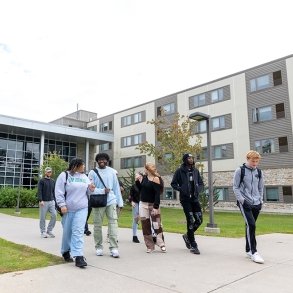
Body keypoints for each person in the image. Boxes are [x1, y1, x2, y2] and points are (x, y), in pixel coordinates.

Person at [55, 158, 95, 268]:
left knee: (78, 231)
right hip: (68, 209)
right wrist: (62, 204)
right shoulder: (64, 175)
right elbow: (59, 191)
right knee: (67, 232)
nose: (84, 167)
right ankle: (65, 251)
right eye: (83, 165)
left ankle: (78, 256)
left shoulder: (84, 177)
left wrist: (91, 188)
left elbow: (88, 191)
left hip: (82, 208)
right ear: (76, 166)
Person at [88, 153, 124, 258]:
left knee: (113, 224)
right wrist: (103, 190)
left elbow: (116, 188)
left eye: (104, 159)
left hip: (111, 201)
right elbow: (90, 190)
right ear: (97, 161)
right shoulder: (92, 172)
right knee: (97, 225)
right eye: (99, 159)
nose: (101, 161)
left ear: (107, 161)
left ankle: (114, 248)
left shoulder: (112, 172)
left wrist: (120, 202)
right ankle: (98, 247)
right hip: (98, 201)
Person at [233, 150, 264, 264]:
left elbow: (261, 188)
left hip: (256, 203)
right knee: (251, 225)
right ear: (248, 159)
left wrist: (260, 201)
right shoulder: (240, 171)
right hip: (245, 203)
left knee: (249, 226)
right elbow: (235, 187)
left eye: (256, 161)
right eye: (253, 161)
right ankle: (254, 252)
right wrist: (242, 200)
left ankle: (248, 250)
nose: (255, 163)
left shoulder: (259, 172)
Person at [171, 153, 204, 255]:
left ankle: (187, 236)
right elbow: (173, 183)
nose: (191, 159)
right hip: (185, 200)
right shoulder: (179, 171)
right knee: (190, 220)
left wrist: (198, 189)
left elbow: (201, 183)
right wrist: (182, 189)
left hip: (194, 199)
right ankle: (193, 245)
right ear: (185, 159)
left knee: (199, 220)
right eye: (189, 158)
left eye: (192, 158)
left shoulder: (195, 171)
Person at [136, 162, 166, 253]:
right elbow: (141, 190)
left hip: (153, 204)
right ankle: (150, 246)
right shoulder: (144, 178)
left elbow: (157, 194)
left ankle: (161, 243)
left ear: (147, 169)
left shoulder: (156, 178)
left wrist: (156, 207)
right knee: (145, 225)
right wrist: (137, 181)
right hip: (143, 204)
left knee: (157, 225)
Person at [37, 166, 56, 238]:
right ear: (45, 172)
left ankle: (49, 230)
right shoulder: (41, 181)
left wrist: (55, 200)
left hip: (51, 201)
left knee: (54, 215)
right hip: (43, 202)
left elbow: (54, 192)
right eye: (48, 172)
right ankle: (43, 232)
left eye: (50, 172)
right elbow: (39, 191)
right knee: (42, 217)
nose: (49, 173)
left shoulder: (53, 181)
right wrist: (40, 200)